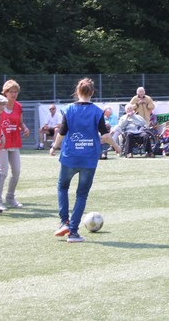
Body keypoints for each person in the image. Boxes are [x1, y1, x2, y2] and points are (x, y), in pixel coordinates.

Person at [49, 78, 115, 243]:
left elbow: (62, 132)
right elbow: (105, 135)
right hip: (89, 158)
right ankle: (73, 232)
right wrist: (117, 146)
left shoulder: (69, 109)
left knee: (62, 187)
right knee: (82, 194)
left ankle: (64, 222)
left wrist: (54, 147)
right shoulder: (97, 111)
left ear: (77, 92)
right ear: (92, 92)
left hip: (70, 156)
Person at [0, 80, 29, 209]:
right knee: (2, 172)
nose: (14, 94)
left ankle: (10, 197)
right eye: (11, 91)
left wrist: (24, 128)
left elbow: (20, 123)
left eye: (16, 92)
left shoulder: (18, 106)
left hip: (14, 141)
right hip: (1, 143)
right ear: (5, 93)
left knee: (16, 171)